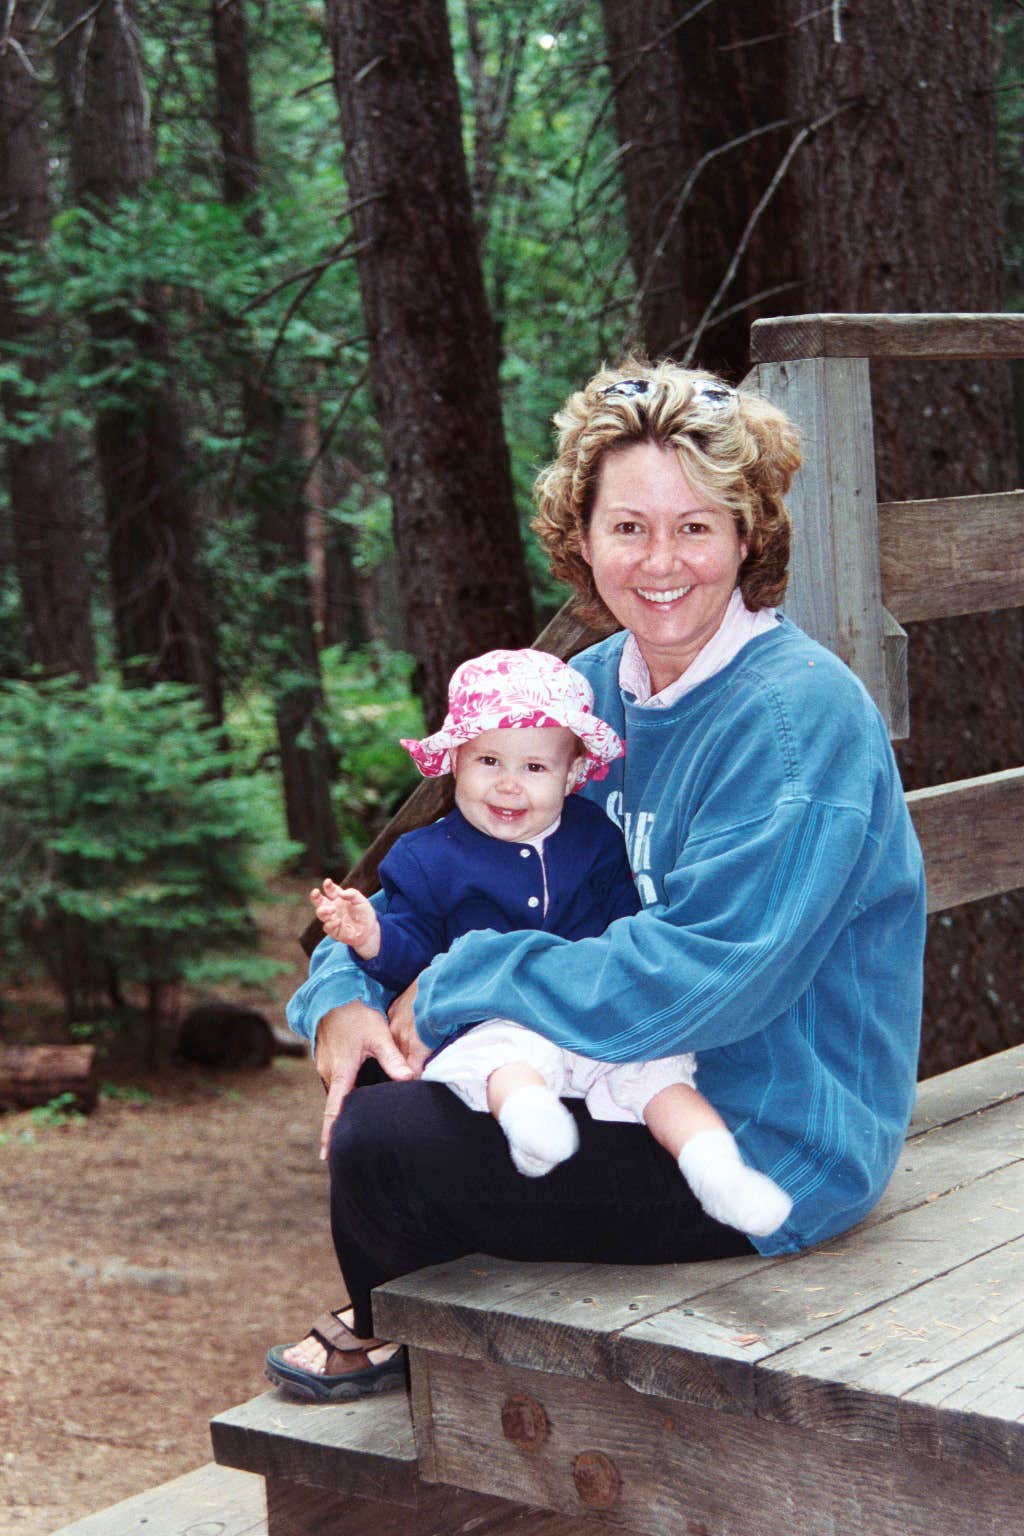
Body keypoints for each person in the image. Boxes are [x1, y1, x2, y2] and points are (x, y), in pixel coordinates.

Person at [267, 359, 926, 1406]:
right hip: (592, 1076)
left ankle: (402, 1333)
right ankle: (411, 1318)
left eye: (696, 527)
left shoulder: (798, 722)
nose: (661, 562)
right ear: (581, 536)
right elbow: (437, 886)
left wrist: (452, 985)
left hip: (764, 1138)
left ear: (749, 536)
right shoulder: (578, 700)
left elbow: (712, 977)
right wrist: (341, 1004)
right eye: (628, 527)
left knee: (389, 1145)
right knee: (383, 1091)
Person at [310, 646, 791, 1230]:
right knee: (502, 1058)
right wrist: (370, 937)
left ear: (571, 776)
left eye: (534, 768)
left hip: (593, 1012)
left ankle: (719, 1173)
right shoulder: (425, 856)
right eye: (489, 760)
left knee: (657, 1075)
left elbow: (629, 927)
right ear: (455, 761)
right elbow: (413, 954)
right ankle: (532, 1126)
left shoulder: (595, 838)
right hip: (491, 1020)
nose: (508, 786)